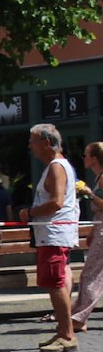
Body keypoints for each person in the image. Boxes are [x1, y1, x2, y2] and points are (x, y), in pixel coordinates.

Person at [21, 123, 80, 352]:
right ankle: (63, 330)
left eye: (33, 141)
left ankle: (67, 335)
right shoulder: (56, 166)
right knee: (54, 283)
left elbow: (56, 202)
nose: (30, 146)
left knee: (56, 284)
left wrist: (30, 212)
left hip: (55, 234)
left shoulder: (57, 166)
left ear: (46, 143)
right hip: (50, 234)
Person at [71, 141, 103, 332]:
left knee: (91, 275)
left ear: (94, 158)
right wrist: (92, 231)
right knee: (92, 274)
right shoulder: (99, 177)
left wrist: (89, 194)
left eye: (86, 155)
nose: (83, 158)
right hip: (99, 228)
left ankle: (79, 317)